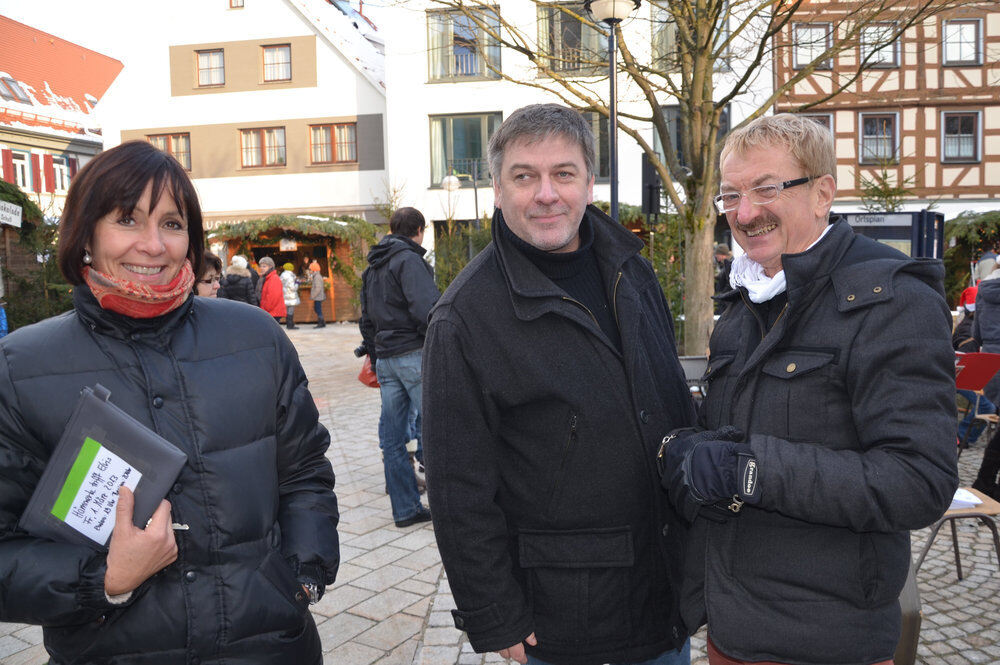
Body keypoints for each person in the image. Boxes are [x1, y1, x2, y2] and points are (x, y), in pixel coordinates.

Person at [0, 141, 340, 663]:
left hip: (270, 646)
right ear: (85, 232)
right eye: (127, 220)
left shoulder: (254, 337)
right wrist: (104, 579)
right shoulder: (19, 366)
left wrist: (302, 575)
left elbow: (305, 471)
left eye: (173, 224)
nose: (153, 245)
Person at [661, 113, 958, 665]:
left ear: (823, 193)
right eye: (729, 196)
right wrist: (689, 445)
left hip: (824, 641)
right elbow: (733, 434)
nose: (744, 213)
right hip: (732, 627)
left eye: (766, 189)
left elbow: (920, 481)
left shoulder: (890, 300)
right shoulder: (746, 301)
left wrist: (751, 470)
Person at [422, 104, 695, 665]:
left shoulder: (632, 270)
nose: (546, 193)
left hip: (666, 599)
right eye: (525, 176)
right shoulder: (465, 319)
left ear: (589, 182)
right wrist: (493, 615)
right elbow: (457, 489)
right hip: (567, 623)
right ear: (497, 190)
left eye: (563, 174)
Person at [359, 206, 439, 528]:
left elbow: (365, 319)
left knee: (393, 440)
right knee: (437, 429)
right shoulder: (409, 260)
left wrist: (377, 358)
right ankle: (451, 507)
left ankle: (405, 509)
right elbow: (428, 310)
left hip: (387, 359)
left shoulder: (372, 267)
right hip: (412, 354)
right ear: (419, 229)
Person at [257, 256, 285, 323]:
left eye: (264, 266)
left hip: (272, 313)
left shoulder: (273, 278)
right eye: (260, 266)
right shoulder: (266, 278)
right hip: (269, 312)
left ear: (270, 267)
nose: (261, 268)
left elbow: (273, 297)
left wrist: (265, 309)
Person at [280, 262, 301, 330]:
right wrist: (297, 283)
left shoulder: (283, 275)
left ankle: (289, 324)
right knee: (290, 311)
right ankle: (290, 325)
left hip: (285, 295)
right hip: (291, 296)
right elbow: (293, 288)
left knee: (288, 310)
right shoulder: (289, 277)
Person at [308, 261, 327, 328]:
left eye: (310, 269)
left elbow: (318, 288)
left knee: (318, 309)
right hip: (318, 297)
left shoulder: (317, 277)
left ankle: (321, 323)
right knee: (317, 309)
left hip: (318, 297)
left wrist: (313, 296)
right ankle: (322, 322)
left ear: (314, 270)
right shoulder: (316, 276)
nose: (309, 270)